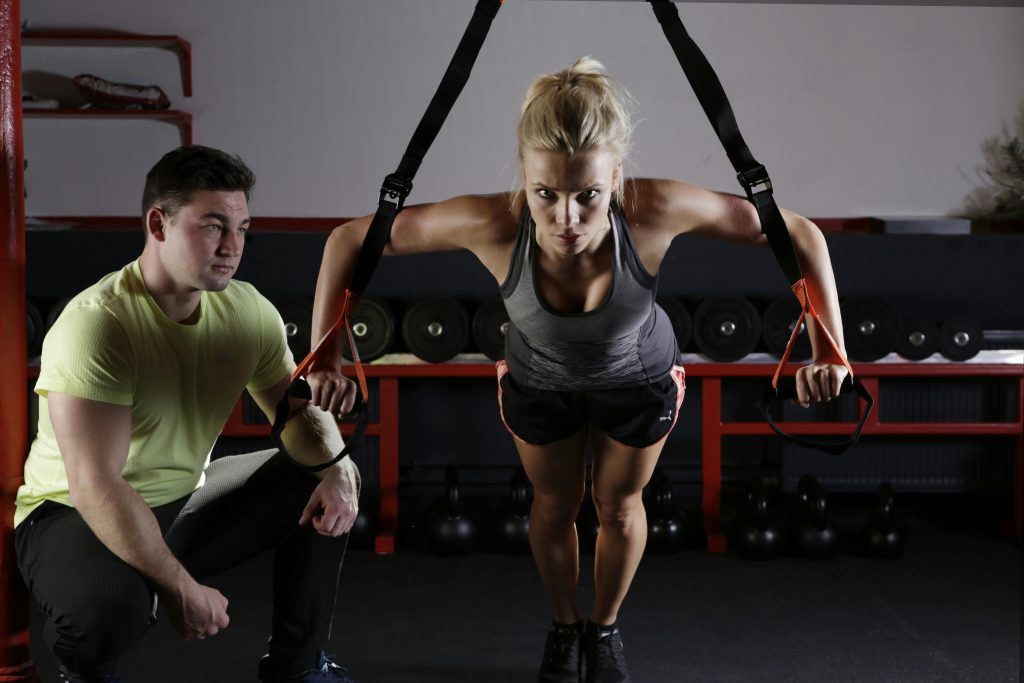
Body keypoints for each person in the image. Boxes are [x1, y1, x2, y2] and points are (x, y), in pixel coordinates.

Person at [308, 58, 849, 683]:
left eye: (588, 194)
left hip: (640, 380)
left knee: (619, 507)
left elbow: (799, 234)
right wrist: (326, 354)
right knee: (553, 504)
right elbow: (350, 239)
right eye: (547, 194)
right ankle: (565, 628)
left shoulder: (656, 208)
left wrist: (828, 349)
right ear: (526, 179)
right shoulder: (493, 222)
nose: (566, 218)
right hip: (541, 382)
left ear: (615, 178)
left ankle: (606, 628)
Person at [14, 145, 361, 683]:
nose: (232, 247)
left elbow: (297, 416)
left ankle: (299, 666)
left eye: (243, 229)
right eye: (213, 226)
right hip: (70, 511)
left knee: (328, 470)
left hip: (181, 500)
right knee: (107, 615)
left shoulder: (247, 312)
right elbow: (94, 485)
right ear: (158, 223)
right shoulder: (99, 324)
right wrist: (180, 588)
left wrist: (336, 470)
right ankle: (83, 671)